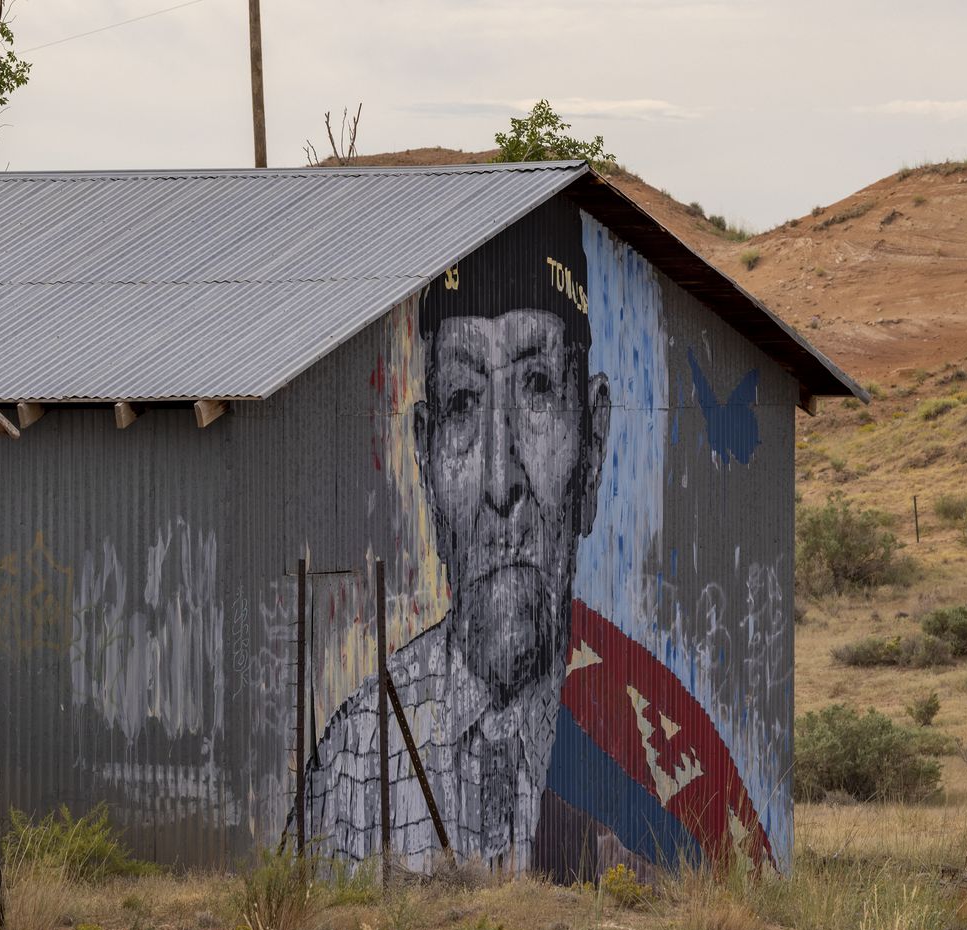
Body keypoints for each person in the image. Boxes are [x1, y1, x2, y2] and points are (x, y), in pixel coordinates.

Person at [303, 203, 772, 878]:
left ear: (594, 444)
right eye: (463, 402)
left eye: (538, 390)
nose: (502, 482)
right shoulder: (352, 760)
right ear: (426, 460)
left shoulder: (671, 769)